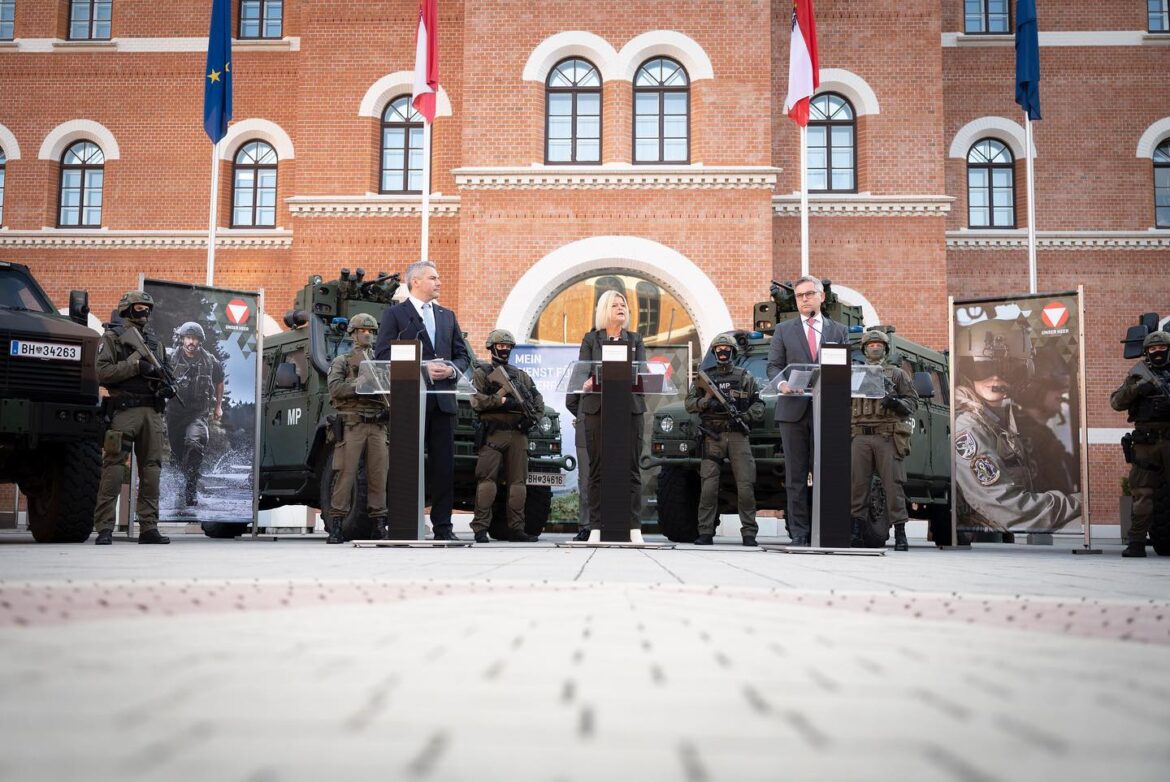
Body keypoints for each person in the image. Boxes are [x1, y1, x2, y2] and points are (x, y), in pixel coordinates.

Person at [374, 260, 472, 541]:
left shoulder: (447, 316)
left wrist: (452, 368)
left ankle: (444, 528)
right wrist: (422, 368)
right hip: (410, 405)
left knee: (444, 468)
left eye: (439, 277)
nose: (439, 282)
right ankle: (404, 524)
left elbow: (462, 355)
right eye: (433, 278)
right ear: (415, 281)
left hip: (443, 402)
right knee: (407, 465)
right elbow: (382, 355)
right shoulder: (395, 315)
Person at [953, 318, 1081, 533]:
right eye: (981, 368)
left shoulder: (998, 420)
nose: (995, 377)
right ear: (964, 371)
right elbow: (1008, 509)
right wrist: (1081, 503)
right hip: (983, 537)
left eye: (1008, 369)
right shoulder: (968, 427)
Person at [765, 275, 849, 546]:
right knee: (796, 476)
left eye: (809, 294)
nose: (804, 299)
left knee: (827, 473)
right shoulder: (783, 330)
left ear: (821, 297)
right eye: (800, 295)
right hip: (793, 411)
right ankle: (799, 532)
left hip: (827, 411)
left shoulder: (837, 330)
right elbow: (773, 366)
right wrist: (783, 383)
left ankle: (826, 530)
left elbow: (845, 365)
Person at [93, 291, 174, 545]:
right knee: (114, 468)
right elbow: (103, 372)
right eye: (140, 308)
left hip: (152, 412)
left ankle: (148, 528)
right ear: (127, 309)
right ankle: (105, 527)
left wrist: (167, 387)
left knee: (152, 471)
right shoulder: (113, 338)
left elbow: (166, 374)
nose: (145, 313)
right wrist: (136, 366)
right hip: (124, 410)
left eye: (148, 309)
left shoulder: (156, 343)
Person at [565, 290, 647, 541]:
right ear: (604, 310)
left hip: (629, 411)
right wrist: (587, 382)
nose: (621, 308)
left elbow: (640, 372)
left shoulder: (636, 339)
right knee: (596, 470)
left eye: (623, 304)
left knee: (632, 469)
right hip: (597, 410)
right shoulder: (591, 339)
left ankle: (634, 528)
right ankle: (596, 527)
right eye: (615, 304)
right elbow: (582, 374)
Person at [685, 334, 765, 546]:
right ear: (714, 352)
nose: (722, 352)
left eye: (726, 348)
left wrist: (746, 416)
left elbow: (758, 405)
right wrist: (706, 402)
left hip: (738, 435)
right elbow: (689, 403)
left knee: (746, 485)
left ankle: (749, 532)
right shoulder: (704, 377)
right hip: (713, 436)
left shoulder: (744, 376)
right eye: (718, 348)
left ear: (732, 351)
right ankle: (705, 531)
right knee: (709, 487)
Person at [469, 329, 543, 543]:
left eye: (508, 346)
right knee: (486, 482)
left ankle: (517, 529)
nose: (505, 350)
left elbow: (538, 402)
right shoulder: (482, 373)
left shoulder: (521, 376)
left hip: (517, 433)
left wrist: (532, 419)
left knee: (518, 484)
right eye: (501, 346)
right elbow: (477, 401)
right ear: (492, 347)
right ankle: (481, 528)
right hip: (493, 433)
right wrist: (501, 400)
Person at [849, 330, 918, 551]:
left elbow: (912, 401)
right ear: (864, 349)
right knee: (858, 484)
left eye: (879, 344)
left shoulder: (896, 374)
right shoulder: (855, 373)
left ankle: (900, 532)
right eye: (870, 345)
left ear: (886, 348)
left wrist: (896, 404)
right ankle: (857, 530)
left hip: (886, 434)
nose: (875, 348)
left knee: (892, 484)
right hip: (860, 435)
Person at [326, 313, 389, 543]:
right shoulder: (342, 361)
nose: (368, 335)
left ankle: (379, 524)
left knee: (379, 476)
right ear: (353, 333)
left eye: (371, 331)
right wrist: (359, 385)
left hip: (378, 424)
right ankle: (336, 525)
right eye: (363, 330)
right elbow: (335, 390)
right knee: (345, 474)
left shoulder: (380, 363)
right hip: (352, 424)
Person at [1109, 330, 1170, 558]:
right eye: (1153, 350)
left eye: (1162, 349)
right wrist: (1137, 389)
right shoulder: (1137, 375)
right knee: (1142, 494)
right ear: (1146, 352)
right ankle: (1136, 543)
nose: (1157, 353)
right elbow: (1116, 402)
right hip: (1147, 442)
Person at [166, 321, 225, 508]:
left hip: (197, 412)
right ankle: (178, 484)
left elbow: (219, 381)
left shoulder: (209, 360)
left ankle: (191, 487)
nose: (191, 342)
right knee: (176, 454)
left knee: (194, 443)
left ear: (200, 341)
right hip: (174, 413)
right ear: (182, 339)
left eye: (195, 339)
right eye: (188, 338)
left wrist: (218, 406)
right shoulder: (170, 358)